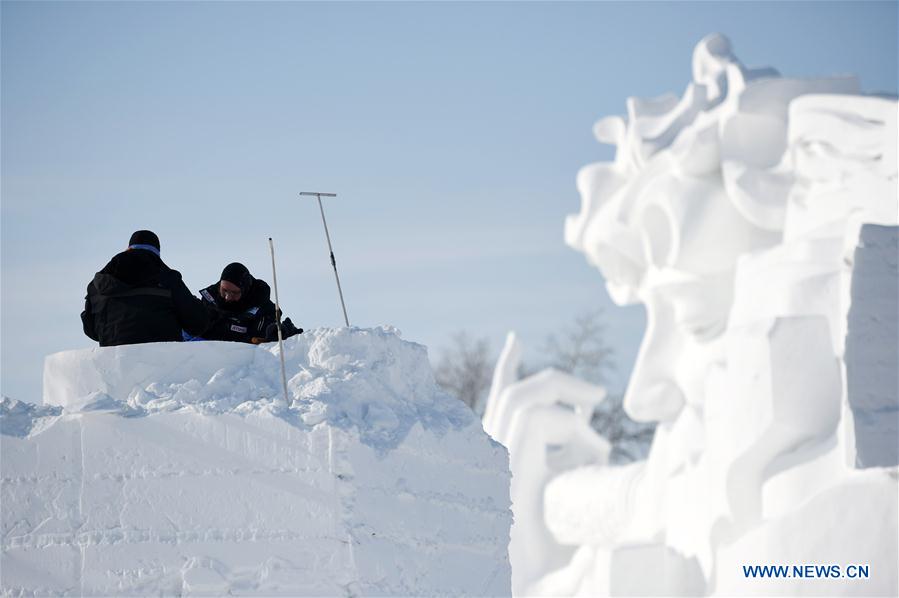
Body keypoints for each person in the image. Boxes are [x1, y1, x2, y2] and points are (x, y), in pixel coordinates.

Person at [81, 230, 210, 346]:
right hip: (161, 363)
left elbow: (91, 330)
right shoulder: (168, 279)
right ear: (156, 253)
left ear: (128, 248)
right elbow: (198, 323)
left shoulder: (98, 284)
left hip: (114, 363)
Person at [198, 262, 302, 344]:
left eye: (234, 292)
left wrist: (279, 332)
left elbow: (271, 333)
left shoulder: (262, 308)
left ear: (245, 290)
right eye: (224, 290)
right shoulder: (209, 301)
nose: (228, 297)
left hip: (243, 366)